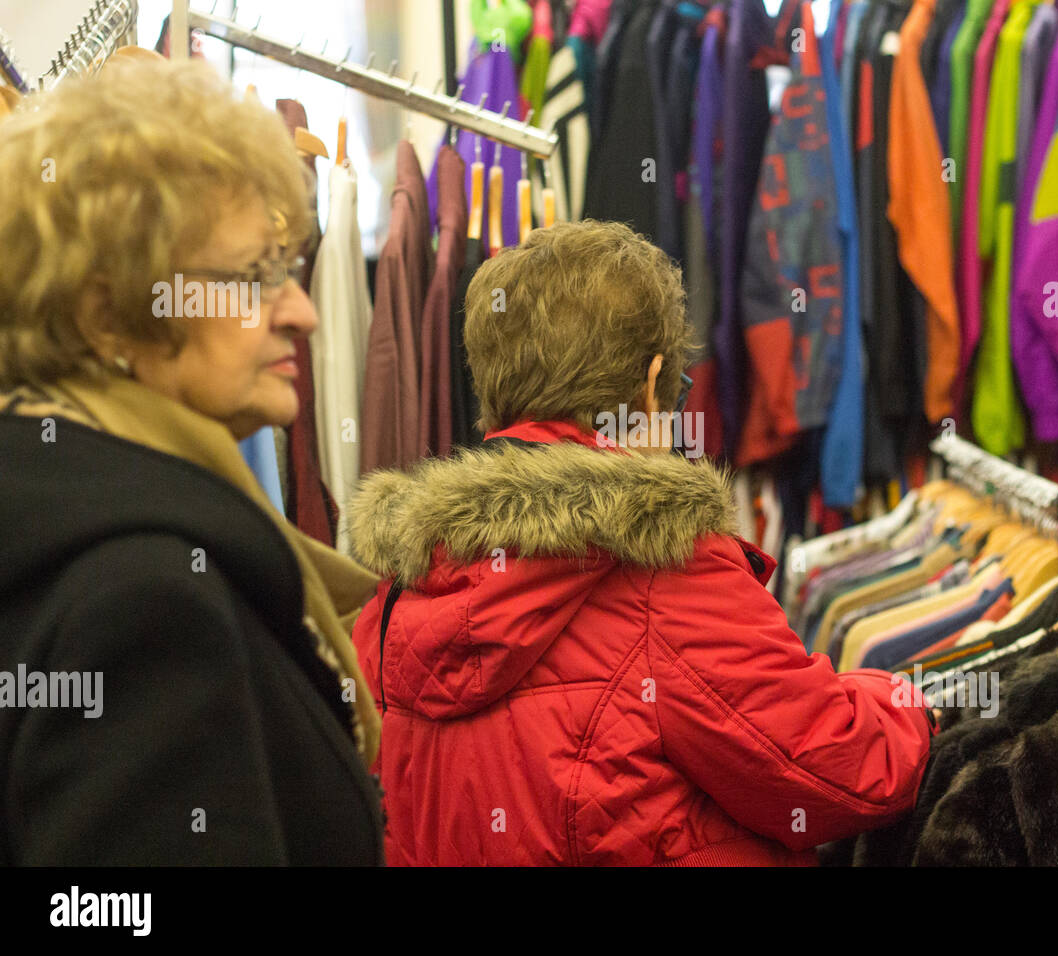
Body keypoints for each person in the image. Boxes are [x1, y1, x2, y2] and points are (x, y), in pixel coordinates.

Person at [349, 220, 935, 866]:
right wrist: (909, 703)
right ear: (652, 387)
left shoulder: (396, 593)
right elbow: (841, 768)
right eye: (677, 391)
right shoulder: (662, 572)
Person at [0, 58, 383, 864]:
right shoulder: (145, 597)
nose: (304, 312)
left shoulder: (60, 514)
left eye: (292, 269)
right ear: (109, 315)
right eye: (256, 277)